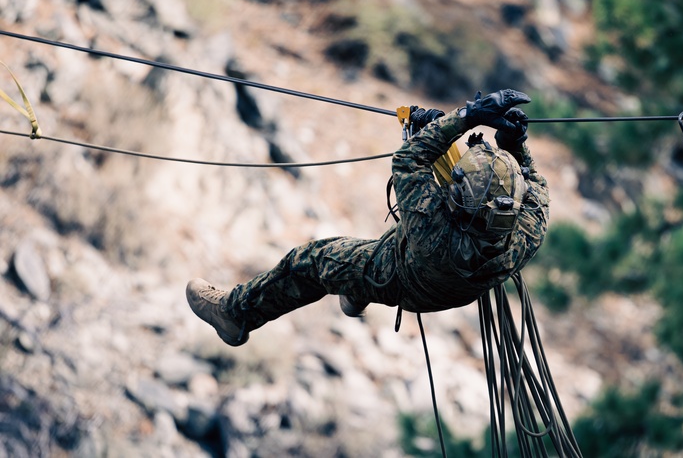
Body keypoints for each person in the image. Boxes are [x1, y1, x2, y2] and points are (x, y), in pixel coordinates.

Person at [186, 89, 550, 346]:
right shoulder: (525, 235)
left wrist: (466, 117)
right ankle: (355, 287)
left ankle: (235, 315)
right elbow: (535, 184)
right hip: (450, 285)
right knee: (402, 230)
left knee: (309, 261)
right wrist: (515, 144)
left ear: (462, 200)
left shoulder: (433, 231)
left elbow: (409, 160)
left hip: (403, 278)